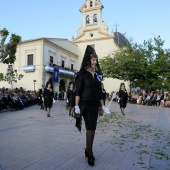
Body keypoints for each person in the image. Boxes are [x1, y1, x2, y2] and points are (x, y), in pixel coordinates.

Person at [75, 45, 110, 166]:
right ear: (88, 61)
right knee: (91, 128)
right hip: (85, 104)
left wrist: (103, 105)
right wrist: (76, 106)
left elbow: (100, 93)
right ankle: (90, 154)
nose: (95, 62)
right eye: (93, 60)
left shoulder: (97, 76)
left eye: (96, 60)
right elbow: (78, 91)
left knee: (91, 128)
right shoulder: (83, 74)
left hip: (95, 105)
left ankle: (87, 149)